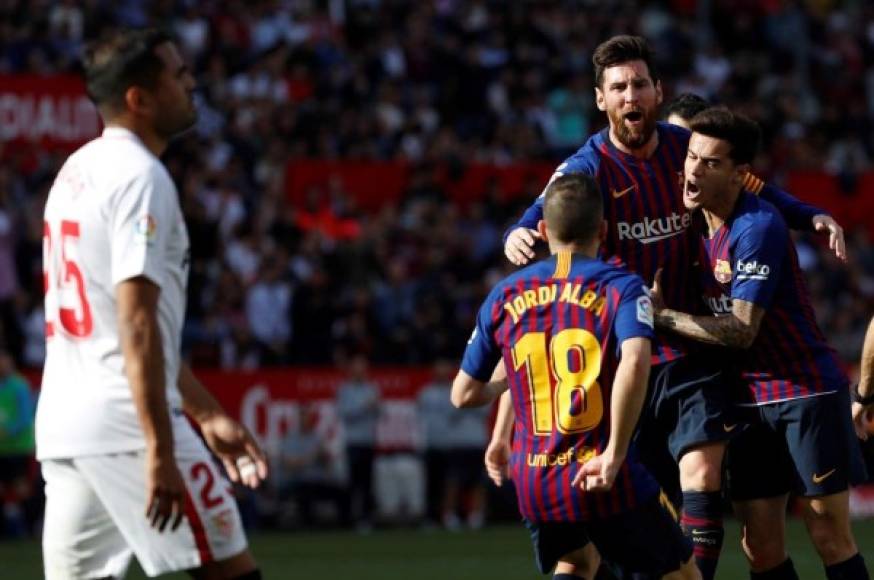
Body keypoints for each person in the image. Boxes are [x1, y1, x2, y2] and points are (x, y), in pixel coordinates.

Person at [495, 35, 845, 580]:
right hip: (622, 358)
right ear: (600, 99)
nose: (630, 95)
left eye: (639, 84)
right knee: (619, 524)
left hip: (686, 350)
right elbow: (546, 205)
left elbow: (749, 185)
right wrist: (519, 231)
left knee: (703, 475)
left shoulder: (686, 150)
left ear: (657, 91)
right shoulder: (586, 166)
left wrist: (809, 215)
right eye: (618, 87)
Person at [37, 28, 267, 580]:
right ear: (140, 98)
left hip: (67, 426)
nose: (192, 83)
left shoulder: (75, 170)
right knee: (233, 575)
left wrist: (206, 412)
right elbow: (136, 324)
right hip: (128, 423)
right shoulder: (141, 177)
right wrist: (160, 450)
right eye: (178, 75)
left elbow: (131, 330)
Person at [652, 107, 869, 580]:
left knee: (829, 536)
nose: (693, 169)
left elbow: (743, 328)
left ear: (739, 175)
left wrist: (662, 317)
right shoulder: (692, 219)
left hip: (804, 391)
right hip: (746, 400)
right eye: (691, 157)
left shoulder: (757, 228)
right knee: (759, 546)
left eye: (709, 162)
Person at [454, 173, 699, 580]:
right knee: (682, 574)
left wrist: (501, 432)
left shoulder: (505, 293)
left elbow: (463, 395)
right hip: (601, 470)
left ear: (544, 229)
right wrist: (616, 453)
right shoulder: (621, 287)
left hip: (535, 477)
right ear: (603, 230)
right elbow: (636, 362)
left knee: (577, 562)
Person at [336, 353, 380, 531]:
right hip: (353, 441)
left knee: (367, 482)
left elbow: (379, 414)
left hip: (368, 440)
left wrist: (375, 407)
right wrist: (364, 407)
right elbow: (344, 414)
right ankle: (349, 518)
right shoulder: (345, 390)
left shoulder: (372, 389)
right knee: (352, 482)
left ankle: (366, 518)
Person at [0, 349, 36, 537]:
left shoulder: (19, 385)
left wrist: (10, 430)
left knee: (21, 488)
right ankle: (9, 527)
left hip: (18, 447)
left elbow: (25, 415)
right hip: (2, 449)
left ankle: (29, 527)